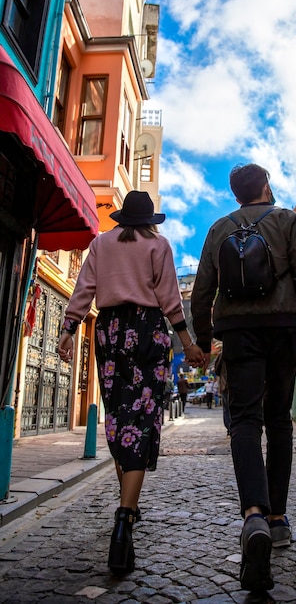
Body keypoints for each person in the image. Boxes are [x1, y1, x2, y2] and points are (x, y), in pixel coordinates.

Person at [191, 164, 296, 594]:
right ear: (266, 187)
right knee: (279, 420)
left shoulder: (219, 228)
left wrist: (203, 339)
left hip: (238, 333)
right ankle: (277, 520)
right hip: (285, 329)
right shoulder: (290, 222)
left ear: (237, 195)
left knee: (245, 420)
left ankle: (253, 513)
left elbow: (202, 289)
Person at [58, 191, 204, 576]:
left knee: (120, 420)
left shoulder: (101, 243)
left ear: (122, 217)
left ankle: (130, 506)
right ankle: (124, 519)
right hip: (147, 334)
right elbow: (171, 299)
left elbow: (84, 289)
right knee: (140, 422)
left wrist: (69, 329)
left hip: (108, 332)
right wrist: (186, 343)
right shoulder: (159, 245)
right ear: (149, 221)